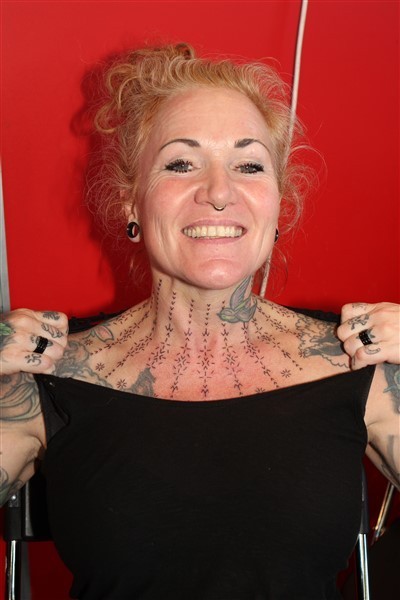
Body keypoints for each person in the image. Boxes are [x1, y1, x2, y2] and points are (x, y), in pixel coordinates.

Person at [1, 43, 399, 600]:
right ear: (130, 202)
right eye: (180, 164)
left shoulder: (358, 360)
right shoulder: (49, 371)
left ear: (278, 202)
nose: (218, 192)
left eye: (249, 165)